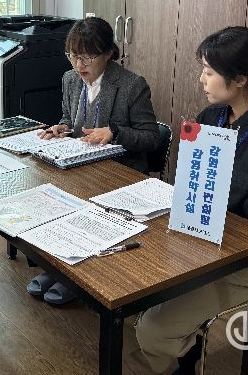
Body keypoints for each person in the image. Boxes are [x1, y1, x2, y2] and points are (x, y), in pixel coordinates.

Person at [135, 26, 248, 374]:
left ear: (241, 79)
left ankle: (177, 359)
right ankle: (185, 355)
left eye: (209, 72)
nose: (201, 80)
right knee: (130, 290)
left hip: (244, 263)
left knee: (152, 328)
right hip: (197, 245)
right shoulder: (211, 117)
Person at [29, 16, 160, 305]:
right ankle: (59, 268)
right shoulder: (70, 79)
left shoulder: (131, 85)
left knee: (84, 207)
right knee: (53, 198)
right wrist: (61, 128)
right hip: (80, 165)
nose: (79, 65)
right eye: (73, 56)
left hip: (119, 172)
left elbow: (151, 137)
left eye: (87, 57)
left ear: (108, 53)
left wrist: (114, 132)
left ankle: (78, 278)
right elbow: (69, 118)